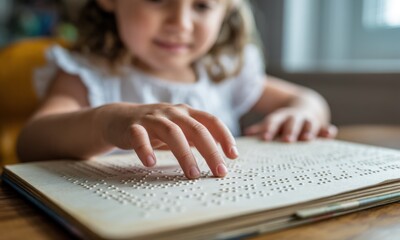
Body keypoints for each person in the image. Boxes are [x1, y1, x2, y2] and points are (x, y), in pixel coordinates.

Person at [17, 0, 337, 180]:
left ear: (227, 9)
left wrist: (303, 113)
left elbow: (305, 98)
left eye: (202, 5)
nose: (180, 22)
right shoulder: (87, 72)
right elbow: (31, 142)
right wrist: (107, 121)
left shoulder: (224, 71)